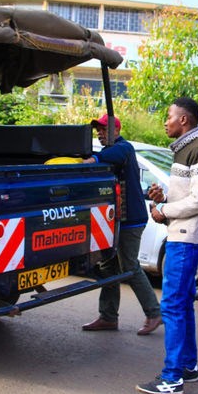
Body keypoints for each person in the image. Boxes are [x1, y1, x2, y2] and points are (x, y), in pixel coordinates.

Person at [136, 97, 198, 394]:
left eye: (169, 116)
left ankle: (171, 378)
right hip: (183, 234)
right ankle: (187, 366)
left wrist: (164, 211)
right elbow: (189, 194)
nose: (165, 120)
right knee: (182, 303)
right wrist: (165, 196)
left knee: (170, 305)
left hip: (186, 238)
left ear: (184, 120)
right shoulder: (185, 149)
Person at [81, 114, 162, 335]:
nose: (100, 133)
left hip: (131, 221)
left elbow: (113, 155)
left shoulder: (124, 148)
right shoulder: (106, 153)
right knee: (108, 267)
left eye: (104, 129)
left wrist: (91, 161)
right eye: (98, 129)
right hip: (112, 221)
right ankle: (108, 317)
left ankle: (154, 313)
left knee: (129, 266)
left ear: (116, 131)